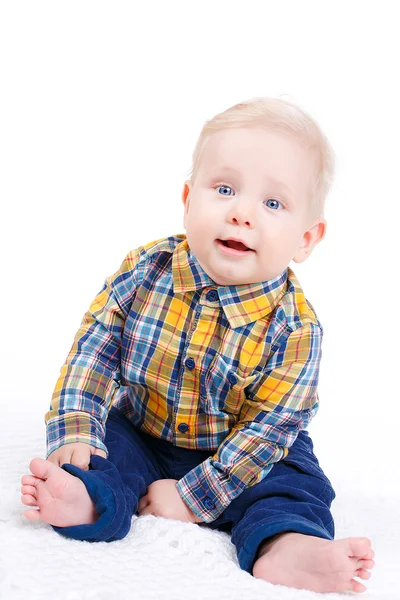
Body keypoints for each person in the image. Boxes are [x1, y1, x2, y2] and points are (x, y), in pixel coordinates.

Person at [21, 97, 375, 593]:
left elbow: (271, 429)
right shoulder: (147, 270)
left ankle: (287, 546)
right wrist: (76, 427)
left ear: (306, 239)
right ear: (188, 199)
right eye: (225, 189)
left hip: (245, 450)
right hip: (146, 424)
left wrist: (191, 497)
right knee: (102, 448)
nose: (241, 214)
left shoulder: (296, 329)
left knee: (293, 483)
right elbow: (95, 348)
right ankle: (85, 501)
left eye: (273, 203)